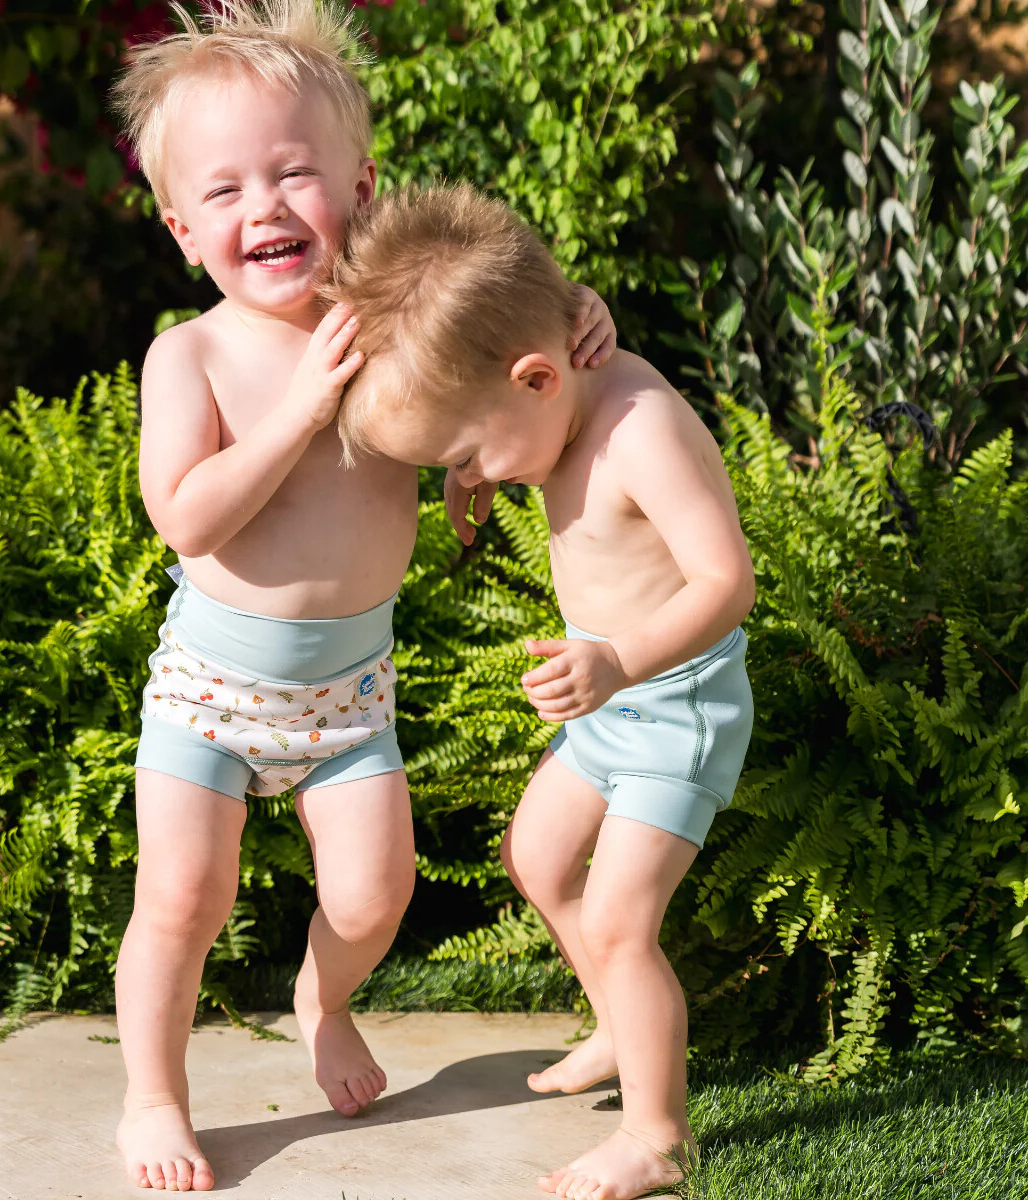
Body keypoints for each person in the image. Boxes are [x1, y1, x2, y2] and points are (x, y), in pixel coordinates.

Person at [110, 4, 617, 1190]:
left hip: (347, 694)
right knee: (181, 898)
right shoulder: (191, 357)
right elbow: (185, 516)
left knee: (375, 897)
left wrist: (578, 312)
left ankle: (320, 998)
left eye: (294, 173)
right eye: (225, 190)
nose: (265, 207)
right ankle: (154, 1097)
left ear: (362, 186)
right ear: (182, 229)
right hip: (208, 694)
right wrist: (296, 413)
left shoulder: (388, 327)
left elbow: (499, 330)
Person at [331, 182, 755, 1200]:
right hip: (615, 705)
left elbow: (726, 582)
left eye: (465, 454)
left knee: (617, 921)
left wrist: (618, 661)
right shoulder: (554, 393)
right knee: (536, 856)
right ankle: (618, 1024)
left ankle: (656, 1136)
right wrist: (470, 470)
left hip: (676, 710)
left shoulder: (638, 430)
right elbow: (524, 340)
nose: (470, 474)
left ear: (536, 376)